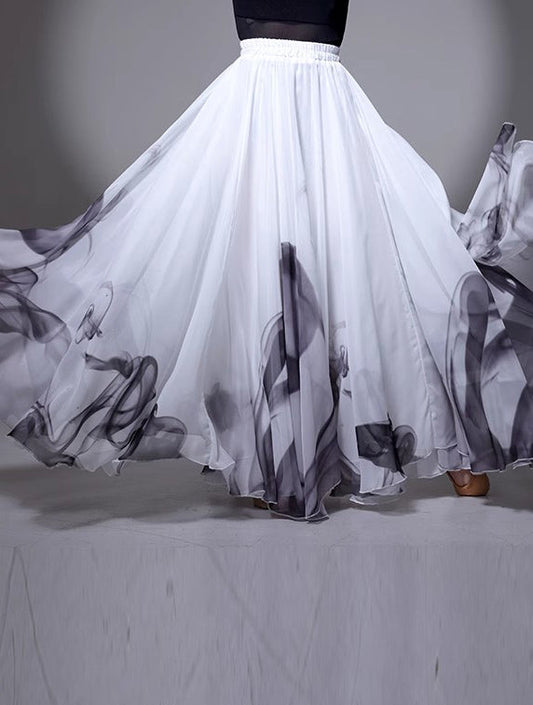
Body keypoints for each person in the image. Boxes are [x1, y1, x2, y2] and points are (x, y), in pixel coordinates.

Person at [0, 0, 532, 522]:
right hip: (262, 97)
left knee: (385, 248)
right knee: (311, 261)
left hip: (319, 94)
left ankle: (445, 445)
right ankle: (296, 457)